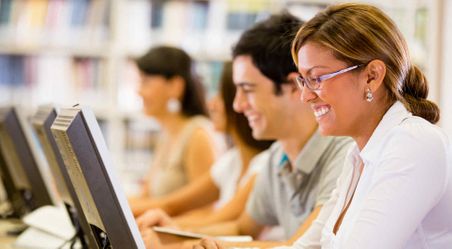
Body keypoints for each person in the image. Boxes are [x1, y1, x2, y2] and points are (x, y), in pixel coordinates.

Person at [196, 3, 452, 249]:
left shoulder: (413, 143)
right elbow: (306, 247)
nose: (306, 96)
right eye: (303, 82)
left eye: (317, 79)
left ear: (372, 76)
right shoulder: (357, 157)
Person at [141, 12, 352, 249]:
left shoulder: (344, 156)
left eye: (248, 90)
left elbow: (298, 247)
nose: (237, 105)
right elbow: (241, 229)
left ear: (293, 86)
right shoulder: (276, 157)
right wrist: (170, 233)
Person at [135, 62, 273, 228]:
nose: (211, 104)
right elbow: (171, 204)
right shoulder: (231, 161)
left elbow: (224, 222)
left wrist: (162, 227)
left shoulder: (265, 164)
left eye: (221, 96)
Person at [129, 46, 221, 216]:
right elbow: (146, 197)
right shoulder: (168, 133)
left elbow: (206, 211)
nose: (139, 91)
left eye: (146, 82)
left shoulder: (197, 135)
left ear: (175, 86)